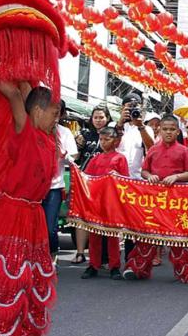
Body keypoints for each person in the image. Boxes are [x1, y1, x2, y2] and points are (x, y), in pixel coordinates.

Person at [0, 38, 58, 333]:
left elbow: (27, 87)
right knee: (8, 276)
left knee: (30, 276)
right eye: (54, 113)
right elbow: (17, 95)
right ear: (38, 112)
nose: (57, 119)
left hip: (34, 214)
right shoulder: (25, 128)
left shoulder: (48, 138)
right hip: (13, 212)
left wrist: (24, 55)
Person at [123, 114, 188, 283]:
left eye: (172, 129)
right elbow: (144, 171)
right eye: (165, 129)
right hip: (155, 199)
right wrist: (149, 176)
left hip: (177, 200)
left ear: (177, 131)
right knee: (147, 234)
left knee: (179, 236)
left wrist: (177, 177)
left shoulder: (183, 150)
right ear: (159, 130)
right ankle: (136, 268)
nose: (168, 132)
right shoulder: (153, 149)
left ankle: (187, 272)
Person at [81, 127, 127, 280]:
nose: (103, 142)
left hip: (112, 202)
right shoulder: (96, 158)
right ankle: (93, 265)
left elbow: (125, 180)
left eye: (107, 139)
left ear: (115, 141)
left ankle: (114, 266)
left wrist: (117, 175)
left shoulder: (120, 158)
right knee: (94, 234)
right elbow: (86, 177)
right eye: (101, 139)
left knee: (112, 235)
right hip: (96, 201)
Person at [73, 106, 112, 264]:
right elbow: (76, 157)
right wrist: (77, 144)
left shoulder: (112, 135)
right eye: (95, 117)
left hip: (104, 183)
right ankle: (80, 252)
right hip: (85, 181)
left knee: (103, 219)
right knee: (81, 217)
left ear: (107, 118)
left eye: (101, 117)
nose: (98, 120)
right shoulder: (84, 134)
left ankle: (102, 256)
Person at [42, 100, 78, 269]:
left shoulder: (64, 132)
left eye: (58, 112)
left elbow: (74, 156)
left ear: (62, 114)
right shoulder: (36, 129)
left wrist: (64, 154)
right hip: (34, 186)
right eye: (51, 111)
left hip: (54, 187)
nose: (54, 116)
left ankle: (52, 258)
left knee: (50, 227)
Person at [115, 92, 154, 179]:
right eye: (129, 106)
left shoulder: (147, 129)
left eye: (135, 106)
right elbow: (112, 145)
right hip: (116, 177)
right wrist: (120, 123)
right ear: (122, 108)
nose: (132, 109)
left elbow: (151, 148)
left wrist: (140, 126)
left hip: (137, 178)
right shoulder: (113, 126)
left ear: (141, 108)